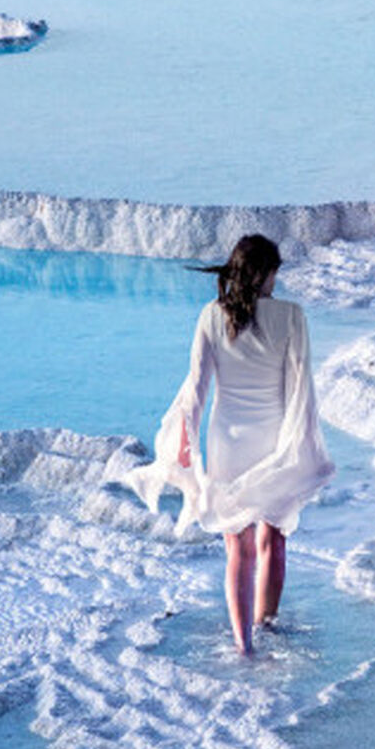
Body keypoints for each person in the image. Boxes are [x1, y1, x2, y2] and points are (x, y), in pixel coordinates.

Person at [131, 233, 335, 655]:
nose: (276, 282)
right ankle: (268, 626)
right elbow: (301, 388)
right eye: (275, 273)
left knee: (237, 548)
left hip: (227, 439)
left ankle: (243, 644)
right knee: (273, 538)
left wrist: (185, 441)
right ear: (265, 273)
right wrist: (302, 443)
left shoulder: (211, 316)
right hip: (274, 438)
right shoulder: (293, 317)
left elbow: (196, 389)